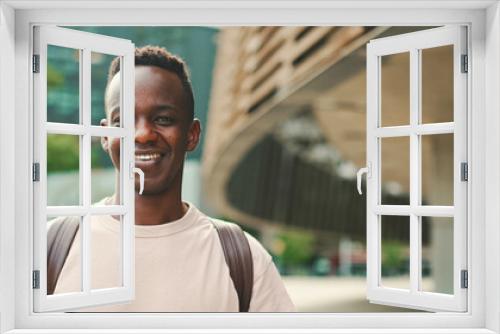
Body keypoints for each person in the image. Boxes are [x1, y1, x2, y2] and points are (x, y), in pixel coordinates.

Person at [52, 45, 295, 312]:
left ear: (191, 134)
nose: (143, 134)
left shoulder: (245, 259)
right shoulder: (51, 247)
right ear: (106, 135)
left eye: (163, 119)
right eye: (124, 120)